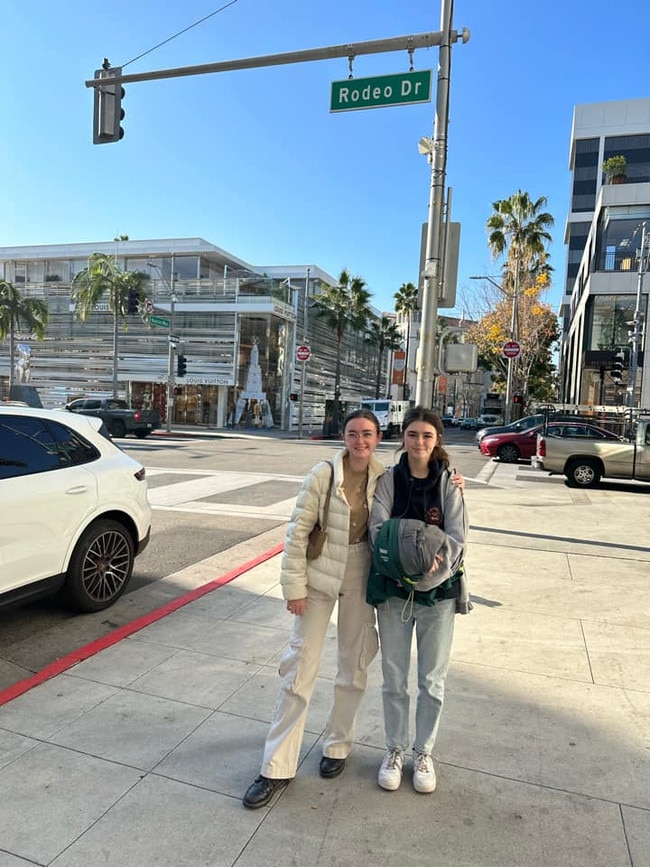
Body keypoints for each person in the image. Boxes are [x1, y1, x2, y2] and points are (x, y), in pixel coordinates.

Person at [242, 409, 386, 809]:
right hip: (319, 574)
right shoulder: (322, 475)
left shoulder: (383, 476)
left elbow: (422, 485)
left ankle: (338, 744)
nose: (360, 441)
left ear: (378, 437)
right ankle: (276, 766)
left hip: (360, 572)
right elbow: (296, 533)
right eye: (354, 434)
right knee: (299, 666)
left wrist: (454, 482)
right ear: (344, 436)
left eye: (368, 435)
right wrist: (294, 587)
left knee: (354, 663)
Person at [367, 405, 470, 795]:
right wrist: (401, 568)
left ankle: (423, 753)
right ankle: (394, 750)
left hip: (438, 595)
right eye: (413, 435)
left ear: (437, 439)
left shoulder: (449, 483)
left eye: (427, 435)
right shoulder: (390, 480)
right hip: (393, 593)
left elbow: (458, 540)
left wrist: (430, 573)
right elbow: (377, 529)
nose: (419, 442)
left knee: (432, 681)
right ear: (403, 437)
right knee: (394, 679)